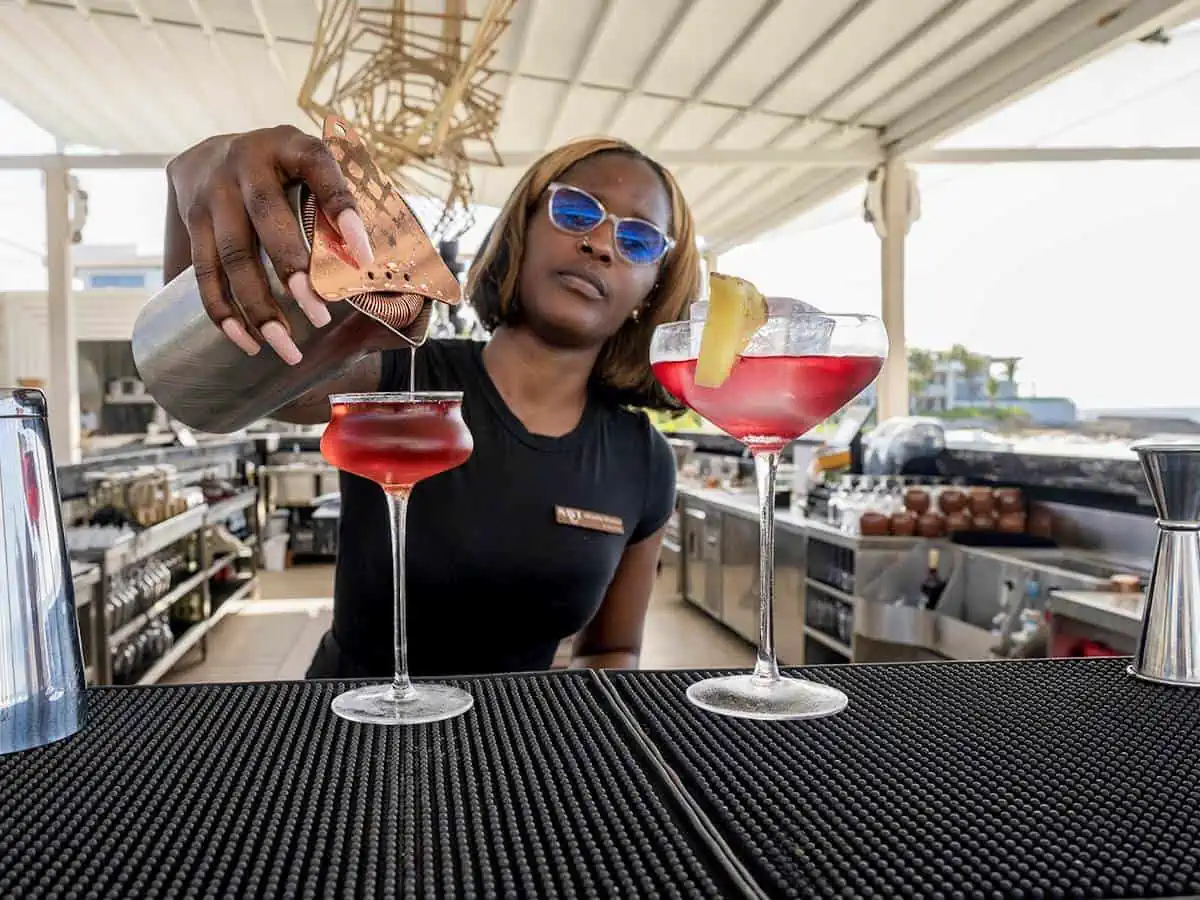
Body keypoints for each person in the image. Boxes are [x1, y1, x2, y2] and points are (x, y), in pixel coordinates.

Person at [163, 125, 702, 678]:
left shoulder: (644, 461)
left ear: (653, 290)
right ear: (523, 228)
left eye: (638, 240)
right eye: (576, 211)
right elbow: (220, 381)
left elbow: (610, 651)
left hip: (516, 752)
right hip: (351, 734)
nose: (602, 243)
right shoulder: (397, 376)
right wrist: (202, 179)